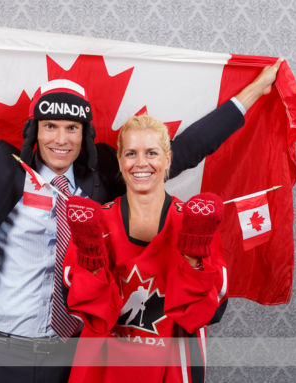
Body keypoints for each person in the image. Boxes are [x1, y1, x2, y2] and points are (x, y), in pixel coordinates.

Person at [0, 58, 281, 383]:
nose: (61, 138)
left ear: (86, 134)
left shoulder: (106, 177)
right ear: (34, 130)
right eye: (50, 126)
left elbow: (181, 151)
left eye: (72, 128)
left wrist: (253, 94)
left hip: (74, 359)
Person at [63, 115, 227, 382]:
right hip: (102, 369)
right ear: (119, 161)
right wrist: (91, 261)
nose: (141, 163)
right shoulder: (94, 223)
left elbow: (210, 311)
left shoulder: (196, 221)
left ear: (168, 159)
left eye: (151, 152)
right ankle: (93, 262)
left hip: (170, 366)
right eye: (131, 153)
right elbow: (78, 307)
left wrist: (194, 257)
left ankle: (192, 256)